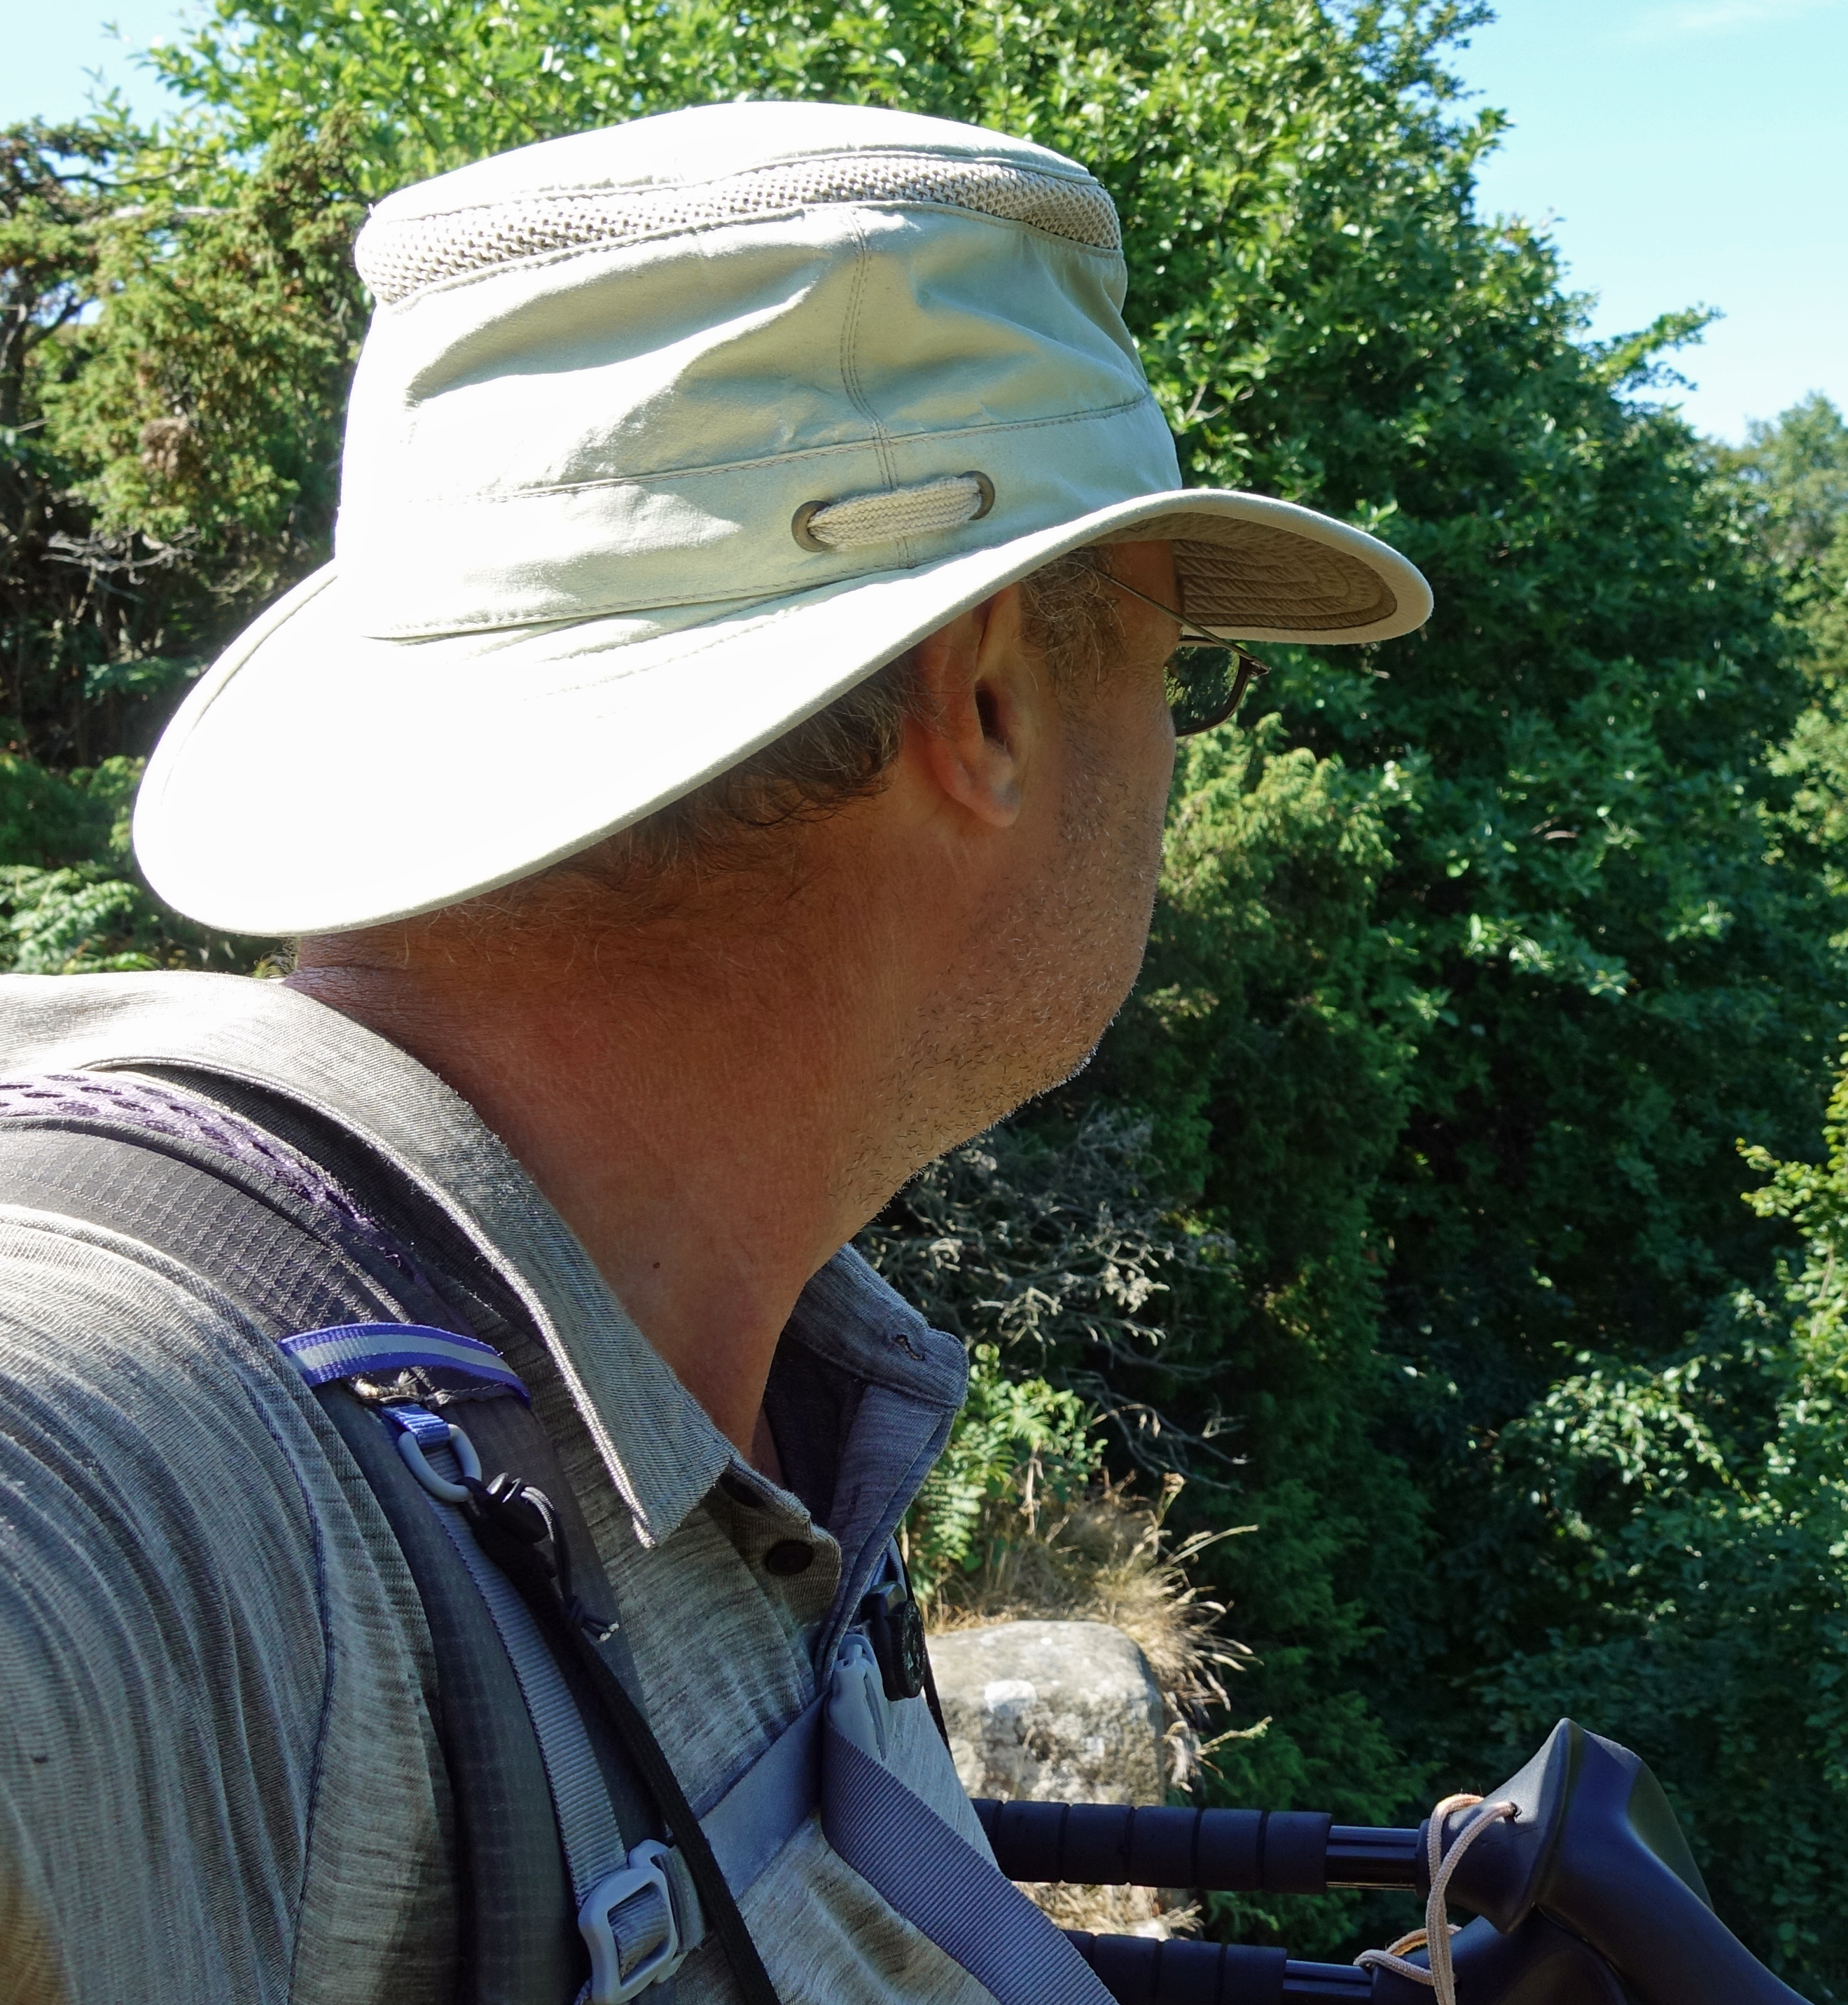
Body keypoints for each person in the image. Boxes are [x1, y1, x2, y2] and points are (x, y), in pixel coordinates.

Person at [0, 102, 1431, 2004]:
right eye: (1183, 664)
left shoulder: (718, 1402)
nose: (1183, 750)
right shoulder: (180, 1456)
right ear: (987, 698)